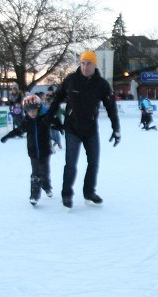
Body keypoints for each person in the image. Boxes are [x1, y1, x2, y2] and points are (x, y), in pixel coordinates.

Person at [47, 50, 121, 208]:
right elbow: (57, 99)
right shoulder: (71, 80)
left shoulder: (101, 84)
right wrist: (48, 119)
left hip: (90, 129)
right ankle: (66, 194)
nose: (85, 67)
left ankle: (89, 192)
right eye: (82, 63)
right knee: (71, 164)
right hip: (72, 128)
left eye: (89, 64)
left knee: (93, 162)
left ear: (95, 65)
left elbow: (111, 108)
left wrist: (116, 128)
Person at [0, 95, 56, 206]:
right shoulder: (27, 121)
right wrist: (7, 136)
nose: (32, 113)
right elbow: (18, 130)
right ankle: (34, 195)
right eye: (29, 111)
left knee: (44, 172)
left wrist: (62, 127)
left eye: (34, 110)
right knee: (36, 173)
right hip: (33, 152)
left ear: (38, 108)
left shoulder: (44, 118)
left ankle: (46, 186)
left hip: (45, 151)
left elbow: (56, 122)